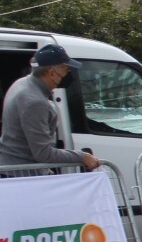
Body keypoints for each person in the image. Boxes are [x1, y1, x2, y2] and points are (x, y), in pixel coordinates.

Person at [0, 44, 101, 175]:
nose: (66, 75)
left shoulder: (21, 83)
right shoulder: (35, 102)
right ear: (52, 73)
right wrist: (82, 157)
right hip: (24, 177)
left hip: (16, 172)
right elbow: (43, 153)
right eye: (65, 71)